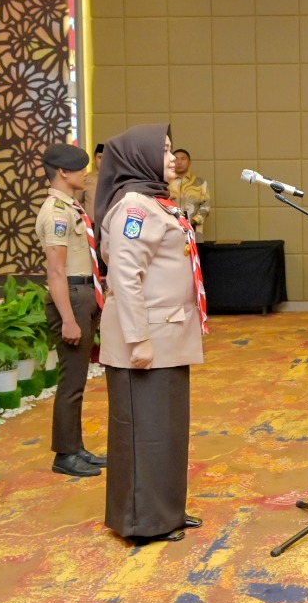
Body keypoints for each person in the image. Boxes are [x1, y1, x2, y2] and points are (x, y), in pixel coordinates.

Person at [95, 124, 208, 545]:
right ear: (140, 158)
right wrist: (138, 337)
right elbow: (125, 276)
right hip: (148, 339)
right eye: (162, 151)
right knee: (144, 432)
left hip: (169, 336)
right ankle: (143, 522)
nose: (172, 158)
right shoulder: (135, 209)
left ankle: (166, 511)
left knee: (167, 430)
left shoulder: (157, 203)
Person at [35, 143, 107, 479]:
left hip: (84, 292)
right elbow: (55, 271)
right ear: (64, 172)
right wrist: (67, 318)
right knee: (71, 382)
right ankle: (65, 454)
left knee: (77, 381)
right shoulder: (56, 212)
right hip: (72, 297)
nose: (85, 174)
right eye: (80, 169)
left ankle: (75, 447)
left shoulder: (71, 206)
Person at [168, 148, 211, 241]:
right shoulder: (165, 183)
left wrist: (194, 221)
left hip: (195, 230)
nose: (179, 162)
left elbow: (206, 206)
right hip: (170, 230)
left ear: (189, 162)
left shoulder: (200, 182)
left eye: (183, 159)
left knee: (195, 254)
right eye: (176, 159)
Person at [81, 143, 103, 218]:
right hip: (90, 224)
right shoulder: (85, 178)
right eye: (100, 157)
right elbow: (78, 201)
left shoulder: (114, 179)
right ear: (94, 158)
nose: (103, 161)